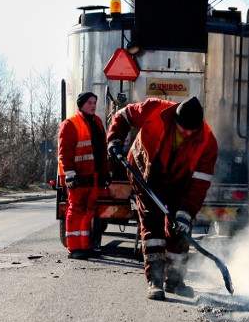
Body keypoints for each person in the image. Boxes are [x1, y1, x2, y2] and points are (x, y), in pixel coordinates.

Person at [107, 96, 218, 300]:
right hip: (145, 174)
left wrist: (186, 213)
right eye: (183, 128)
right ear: (175, 118)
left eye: (192, 130)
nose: (187, 133)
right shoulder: (155, 109)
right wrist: (115, 138)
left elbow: (200, 184)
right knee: (153, 226)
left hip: (179, 182)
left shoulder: (208, 142)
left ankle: (175, 280)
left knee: (180, 228)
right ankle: (155, 280)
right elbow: (124, 115)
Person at [57, 91, 110, 260]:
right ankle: (74, 249)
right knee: (76, 210)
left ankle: (85, 247)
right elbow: (65, 152)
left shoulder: (98, 123)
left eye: (94, 102)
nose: (93, 105)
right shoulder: (70, 124)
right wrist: (70, 175)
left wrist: (105, 172)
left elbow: (102, 151)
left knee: (89, 213)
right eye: (89, 102)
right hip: (79, 177)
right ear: (81, 105)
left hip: (93, 177)